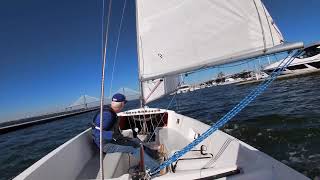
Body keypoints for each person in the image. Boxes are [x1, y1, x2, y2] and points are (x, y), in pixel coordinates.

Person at [91, 93, 159, 170]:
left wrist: (119, 136)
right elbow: (98, 133)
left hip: (110, 141)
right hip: (106, 145)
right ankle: (155, 168)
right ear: (122, 104)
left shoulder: (109, 111)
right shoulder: (107, 115)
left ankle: (153, 155)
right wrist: (114, 136)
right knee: (133, 148)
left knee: (135, 140)